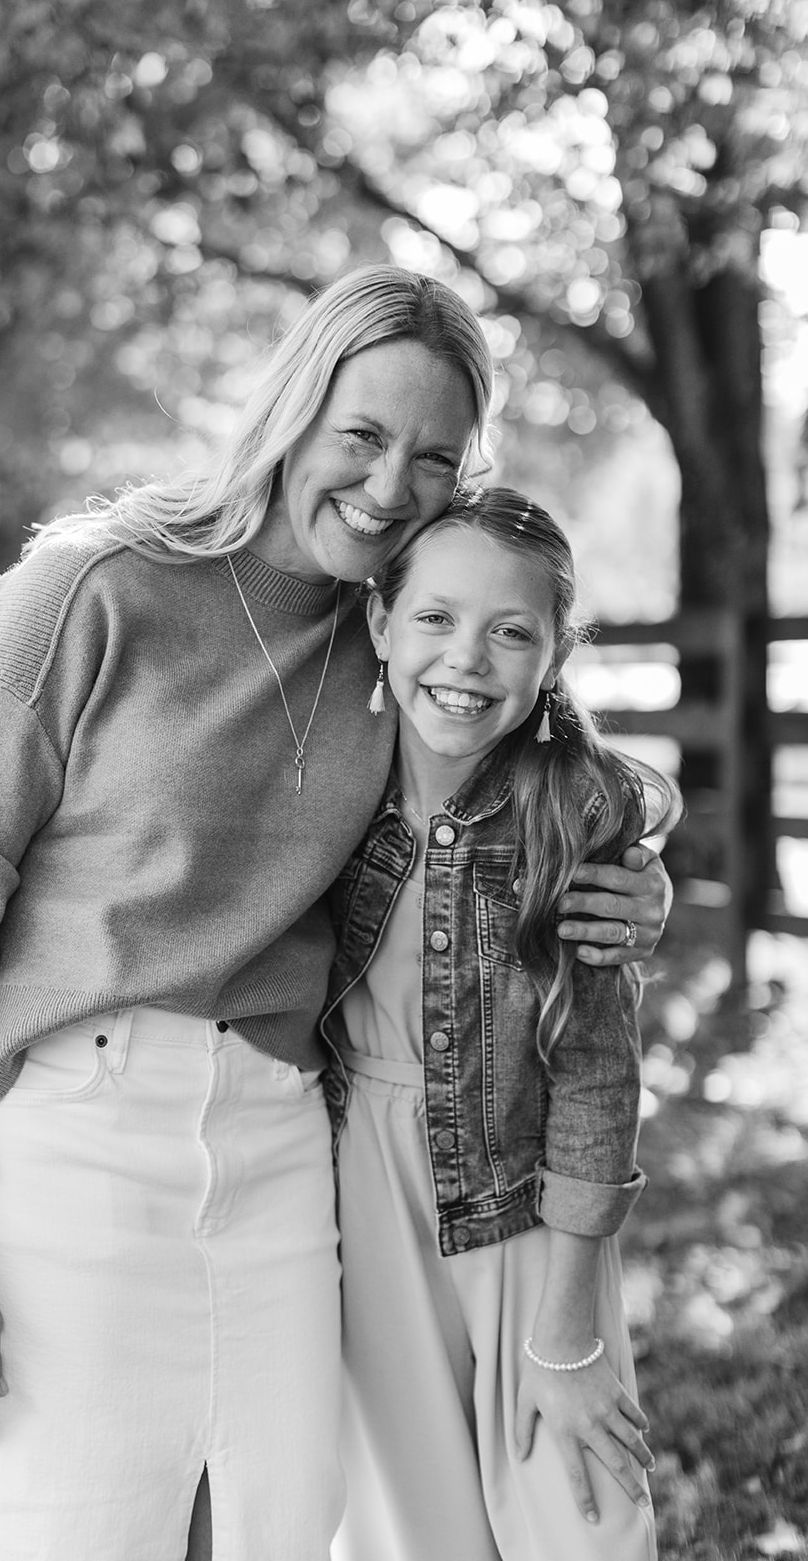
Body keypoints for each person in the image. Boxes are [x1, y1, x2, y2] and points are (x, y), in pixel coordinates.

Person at [0, 266, 670, 1561]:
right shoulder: (85, 598)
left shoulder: (392, 635)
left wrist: (634, 861)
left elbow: (532, 769)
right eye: (360, 436)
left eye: (432, 459)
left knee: (270, 1527)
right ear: (291, 409)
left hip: (285, 1157)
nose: (389, 485)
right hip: (72, 1147)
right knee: (51, 1528)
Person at [324, 485, 682, 1561]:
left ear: (554, 654)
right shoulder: (320, 785)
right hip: (357, 1191)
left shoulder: (572, 815)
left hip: (525, 1208)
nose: (465, 658)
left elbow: (596, 1078)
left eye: (509, 631)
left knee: (579, 1512)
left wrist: (568, 1330)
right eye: (434, 618)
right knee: (409, 1529)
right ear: (381, 623)